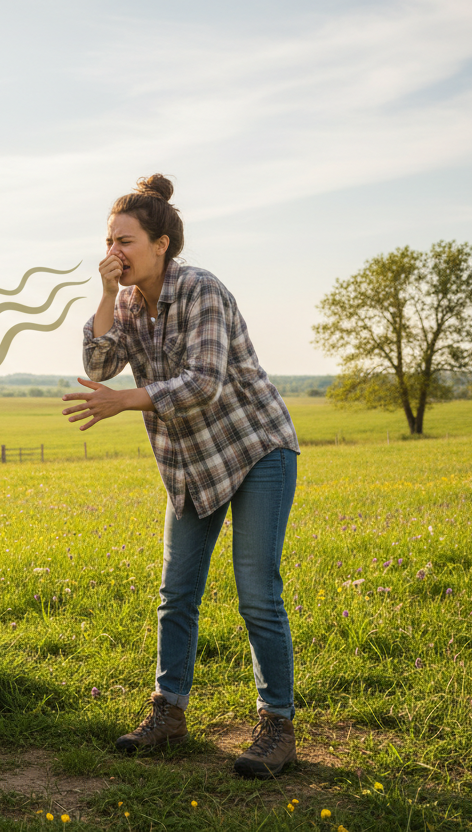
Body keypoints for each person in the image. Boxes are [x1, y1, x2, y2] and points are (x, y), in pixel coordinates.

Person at [60, 174, 301, 778]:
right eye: (108, 240)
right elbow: (98, 362)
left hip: (255, 451)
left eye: (126, 240)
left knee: (257, 594)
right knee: (176, 595)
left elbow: (204, 382)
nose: (114, 250)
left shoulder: (202, 290)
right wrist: (104, 293)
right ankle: (168, 711)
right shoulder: (126, 301)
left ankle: (277, 724)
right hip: (191, 464)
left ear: (161, 243)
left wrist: (125, 400)